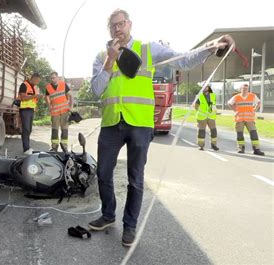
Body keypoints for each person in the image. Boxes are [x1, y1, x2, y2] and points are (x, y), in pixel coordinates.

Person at [89, 8, 234, 247]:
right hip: (111, 123)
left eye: (121, 24)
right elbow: (96, 89)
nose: (118, 29)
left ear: (130, 25)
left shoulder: (148, 49)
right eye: (113, 26)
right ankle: (107, 215)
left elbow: (183, 59)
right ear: (109, 30)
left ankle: (130, 226)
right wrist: (109, 61)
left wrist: (211, 45)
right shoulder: (100, 56)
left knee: (135, 179)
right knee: (103, 173)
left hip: (140, 123)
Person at [227, 84, 264, 155]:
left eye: (246, 89)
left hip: (249, 119)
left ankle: (256, 149)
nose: (245, 90)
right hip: (239, 118)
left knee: (254, 134)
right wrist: (234, 109)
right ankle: (241, 148)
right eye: (243, 89)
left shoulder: (252, 96)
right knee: (240, 134)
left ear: (248, 89)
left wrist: (255, 109)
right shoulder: (236, 97)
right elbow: (229, 103)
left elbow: (259, 102)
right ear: (240, 89)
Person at [45, 72, 73, 151]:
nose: (52, 79)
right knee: (54, 129)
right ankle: (54, 147)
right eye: (51, 78)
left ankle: (64, 146)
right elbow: (46, 97)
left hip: (65, 111)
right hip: (55, 112)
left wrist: (71, 107)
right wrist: (49, 106)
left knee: (64, 129)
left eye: (54, 77)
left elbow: (71, 96)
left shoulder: (63, 84)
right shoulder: (48, 87)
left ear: (57, 77)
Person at [18, 73, 42, 155]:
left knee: (29, 130)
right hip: (25, 110)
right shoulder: (24, 85)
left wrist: (37, 97)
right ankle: (26, 149)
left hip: (31, 110)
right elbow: (23, 97)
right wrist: (35, 96)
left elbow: (33, 99)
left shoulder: (34, 87)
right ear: (34, 78)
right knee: (26, 129)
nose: (37, 83)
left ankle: (27, 147)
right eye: (37, 81)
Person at [194, 85, 219, 151]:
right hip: (202, 117)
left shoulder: (213, 95)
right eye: (204, 86)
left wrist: (215, 111)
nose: (205, 88)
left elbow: (214, 105)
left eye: (206, 87)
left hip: (211, 116)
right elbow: (196, 106)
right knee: (201, 131)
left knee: (214, 131)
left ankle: (214, 145)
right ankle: (201, 145)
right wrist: (201, 112)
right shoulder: (199, 96)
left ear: (208, 87)